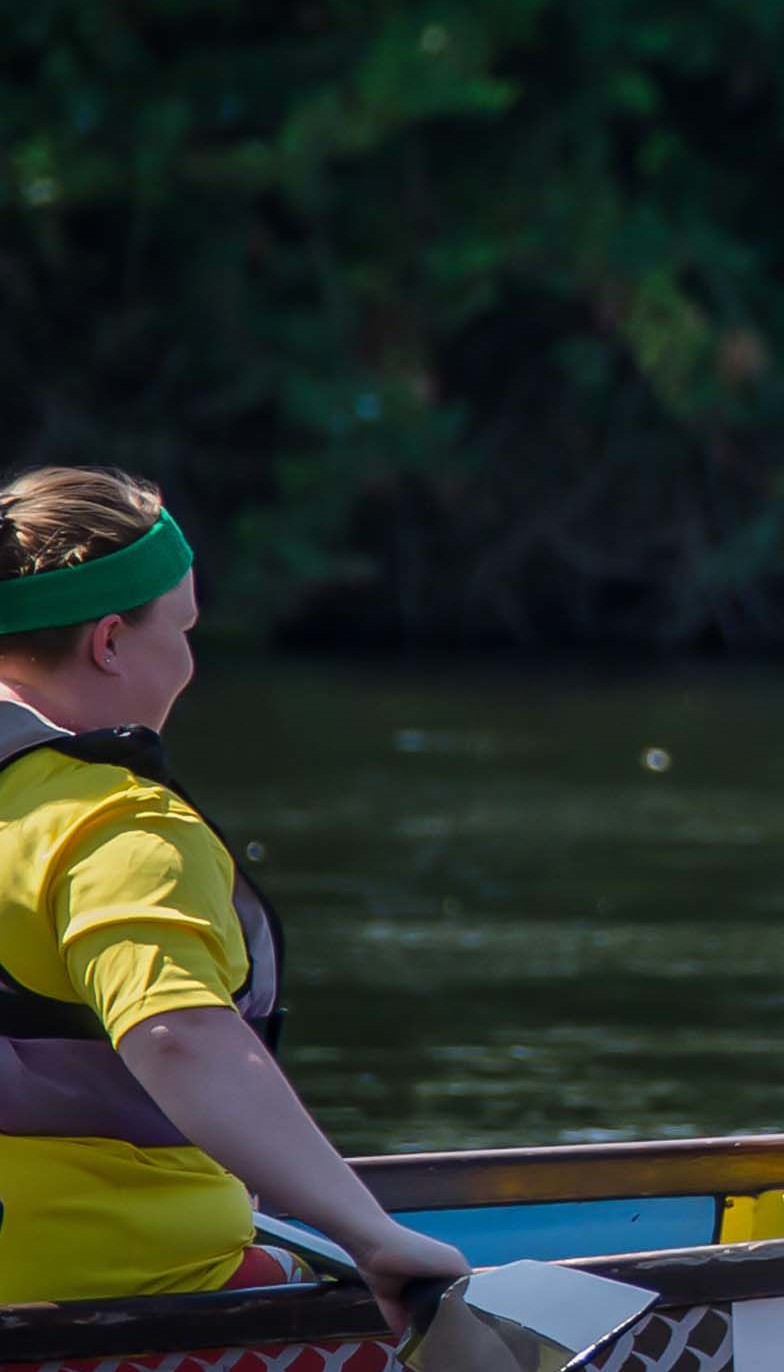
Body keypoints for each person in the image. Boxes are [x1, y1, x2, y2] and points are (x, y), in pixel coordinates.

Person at [0, 466, 464, 1326]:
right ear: (109, 642)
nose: (190, 661)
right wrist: (369, 1234)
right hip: (111, 1305)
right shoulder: (115, 825)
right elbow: (178, 1039)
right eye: (181, 630)